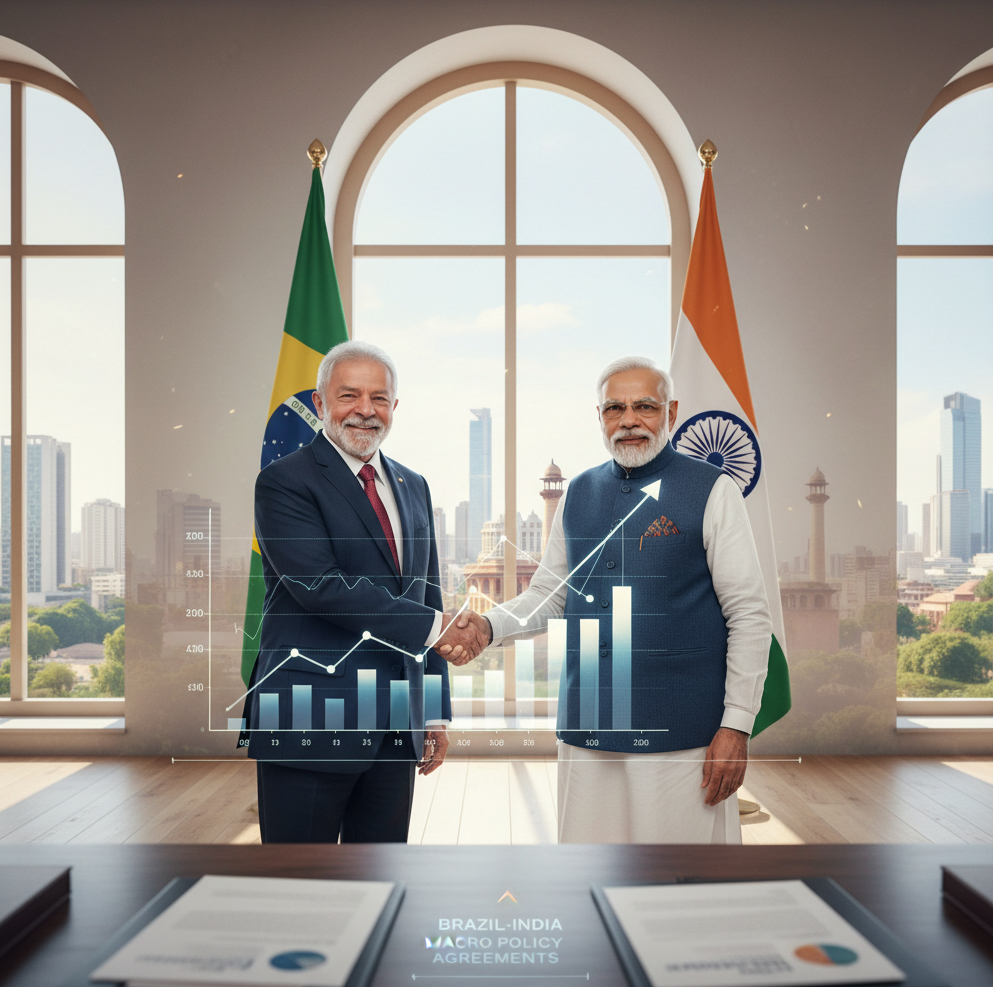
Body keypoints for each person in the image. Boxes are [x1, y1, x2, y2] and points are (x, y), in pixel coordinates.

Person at [454, 356, 772, 843]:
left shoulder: (714, 490)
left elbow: (748, 615)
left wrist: (738, 725)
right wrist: (488, 625)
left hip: (681, 730)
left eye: (645, 406)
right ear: (599, 417)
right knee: (588, 876)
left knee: (676, 886)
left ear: (671, 412)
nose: (629, 421)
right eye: (614, 408)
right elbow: (549, 593)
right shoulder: (578, 491)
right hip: (587, 725)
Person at [241, 341, 487, 843]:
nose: (364, 410)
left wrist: (434, 709)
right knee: (302, 887)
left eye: (379, 398)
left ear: (394, 407)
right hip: (309, 716)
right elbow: (321, 587)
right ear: (319, 403)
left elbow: (426, 593)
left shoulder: (413, 485)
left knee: (380, 877)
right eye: (349, 395)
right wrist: (438, 630)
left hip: (396, 723)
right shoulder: (284, 483)